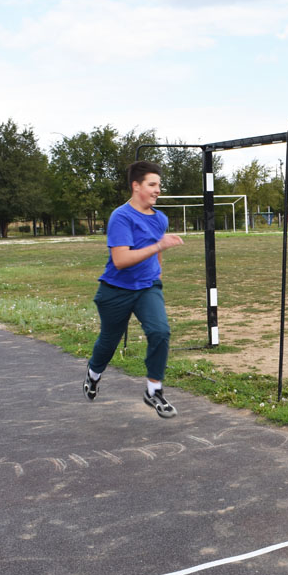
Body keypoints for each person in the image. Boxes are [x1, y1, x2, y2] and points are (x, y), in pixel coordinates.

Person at [83, 160, 185, 418]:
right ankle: (93, 374)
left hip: (147, 287)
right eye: (152, 185)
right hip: (115, 290)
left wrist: (157, 272)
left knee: (160, 331)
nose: (157, 190)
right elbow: (121, 260)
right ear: (136, 186)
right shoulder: (121, 217)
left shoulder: (160, 218)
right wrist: (159, 247)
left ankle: (154, 391)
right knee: (109, 342)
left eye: (159, 185)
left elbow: (156, 249)